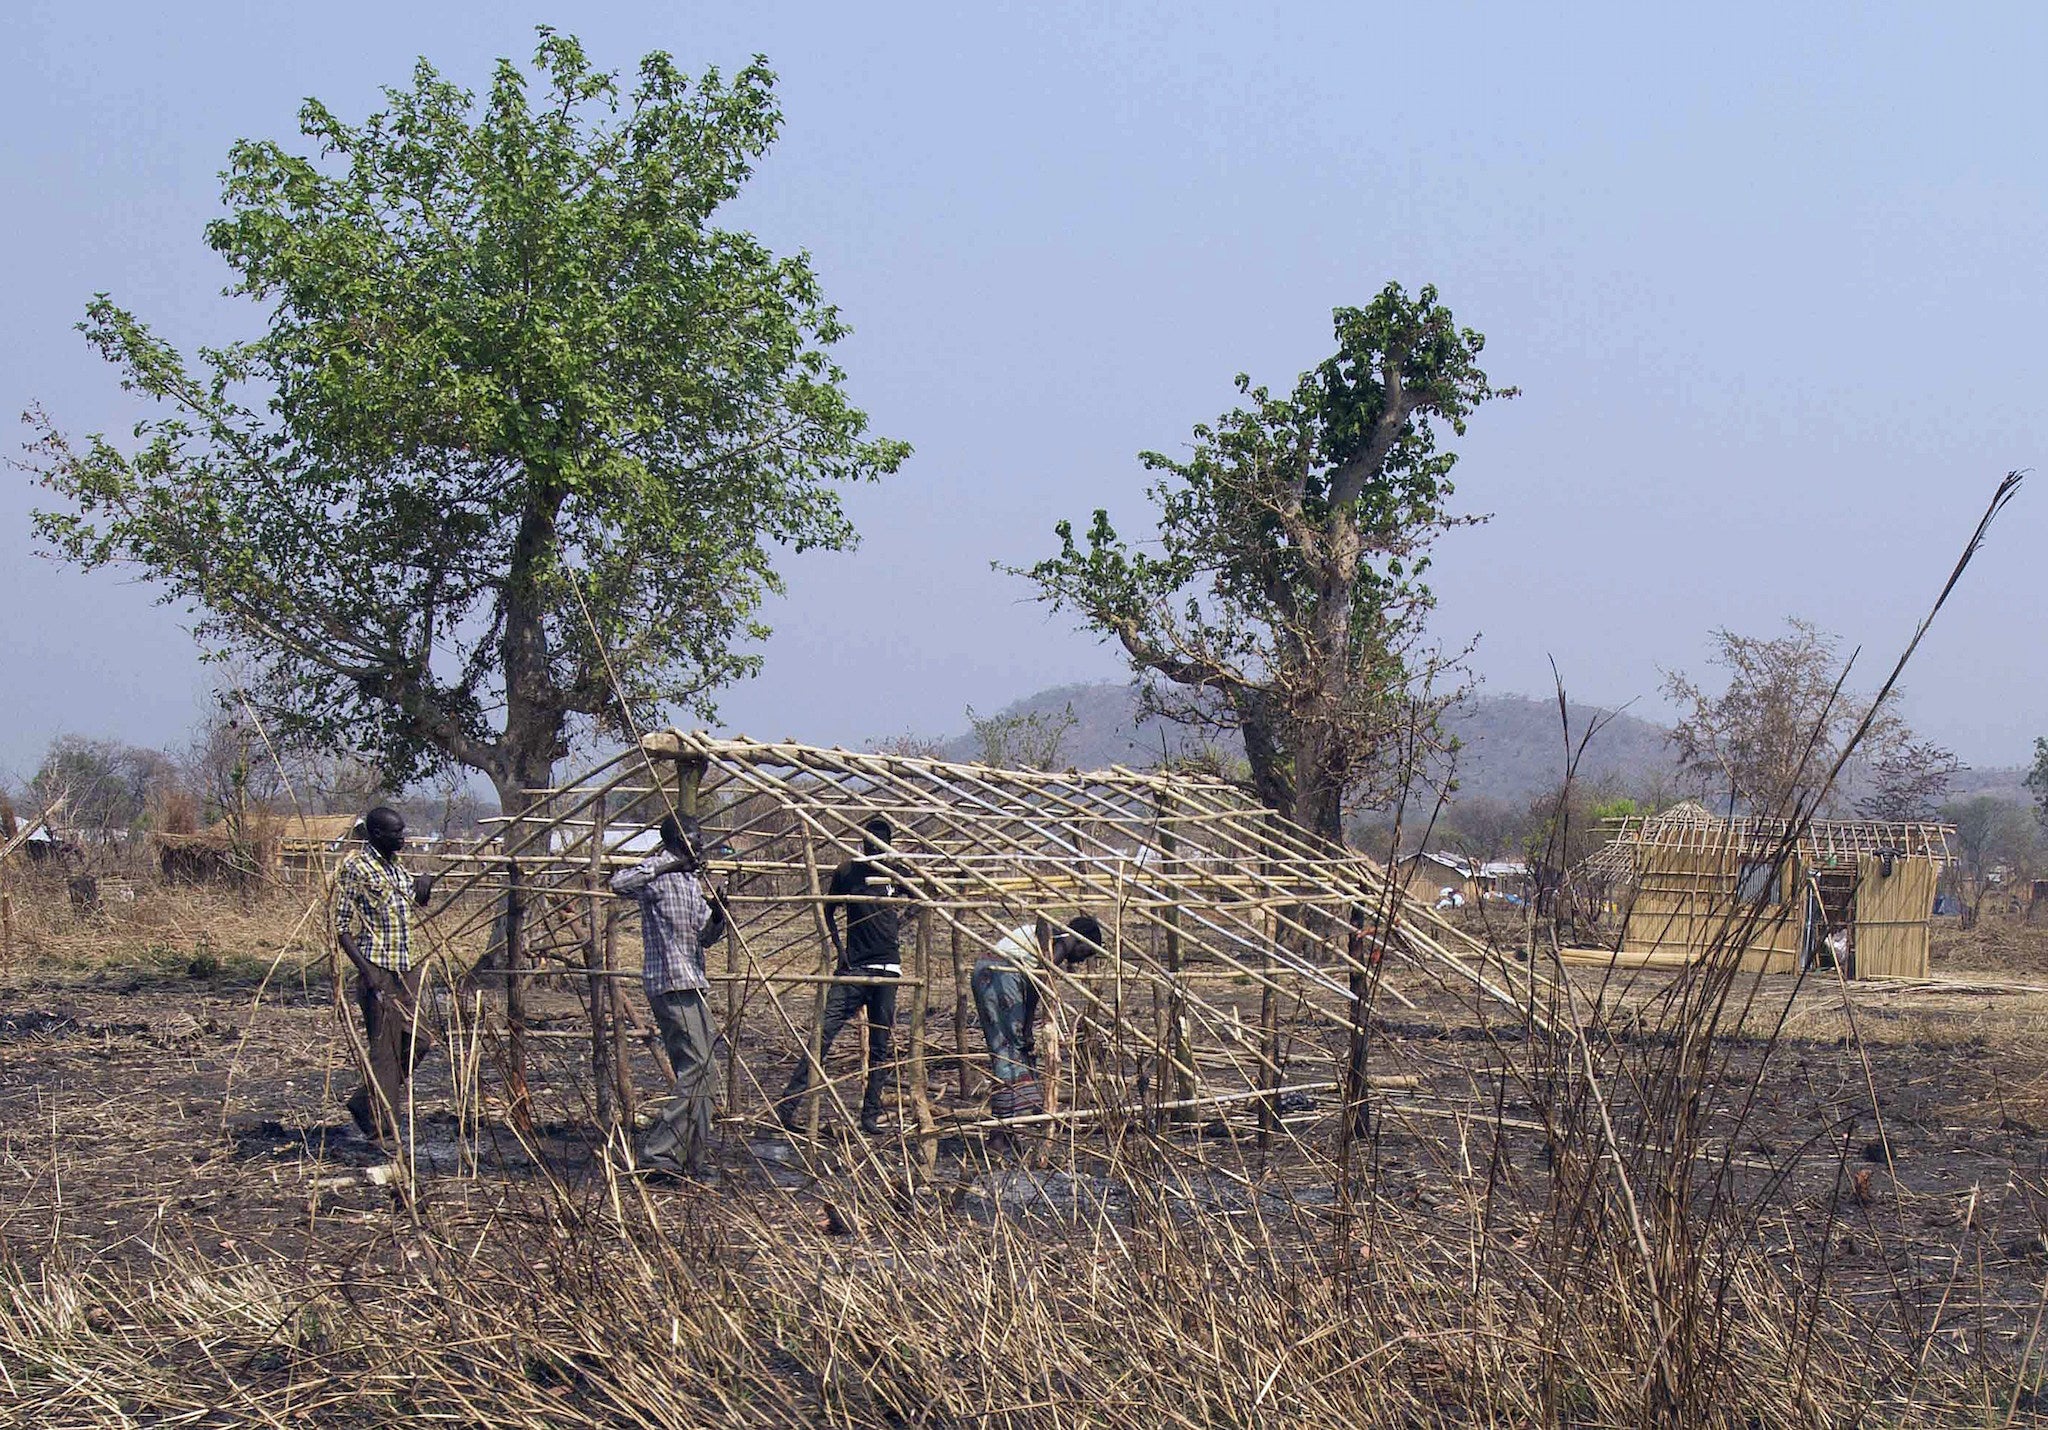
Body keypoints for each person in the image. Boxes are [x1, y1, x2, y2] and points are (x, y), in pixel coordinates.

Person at [610, 813, 729, 1178]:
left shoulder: (692, 883)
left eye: (701, 838)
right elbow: (619, 883)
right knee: (701, 1069)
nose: (700, 844)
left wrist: (719, 914)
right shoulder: (657, 871)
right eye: (694, 838)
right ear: (677, 840)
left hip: (693, 982)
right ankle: (659, 1151)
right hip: (670, 984)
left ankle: (693, 1159)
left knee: (702, 1073)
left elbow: (705, 937)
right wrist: (668, 865)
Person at [776, 816, 907, 1135]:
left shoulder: (896, 873)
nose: (873, 845)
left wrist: (898, 923)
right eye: (868, 840)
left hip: (887, 968)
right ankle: (789, 1104)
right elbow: (829, 911)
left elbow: (921, 897)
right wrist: (840, 950)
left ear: (889, 843)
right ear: (861, 841)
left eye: (880, 841)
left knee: (880, 1045)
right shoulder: (848, 872)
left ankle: (870, 1115)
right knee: (823, 1032)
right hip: (855, 968)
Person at [334, 806, 436, 1143]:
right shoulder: (356, 867)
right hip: (376, 969)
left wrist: (424, 887)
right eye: (396, 832)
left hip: (403, 968)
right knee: (385, 1050)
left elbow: (413, 901)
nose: (402, 837)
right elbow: (341, 926)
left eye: (403, 830)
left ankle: (366, 1102)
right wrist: (367, 973)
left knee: (418, 1040)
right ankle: (383, 1127)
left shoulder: (395, 866)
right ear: (377, 835)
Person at [971, 914, 1103, 1134]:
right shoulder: (1062, 942)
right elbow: (1041, 980)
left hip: (991, 973)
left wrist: (1027, 1026)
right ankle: (1000, 1133)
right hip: (1002, 976)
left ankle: (1008, 1127)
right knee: (1009, 1049)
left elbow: (1035, 980)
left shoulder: (1047, 936)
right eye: (1084, 952)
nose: (1080, 960)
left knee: (1008, 1046)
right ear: (1079, 940)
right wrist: (1029, 1025)